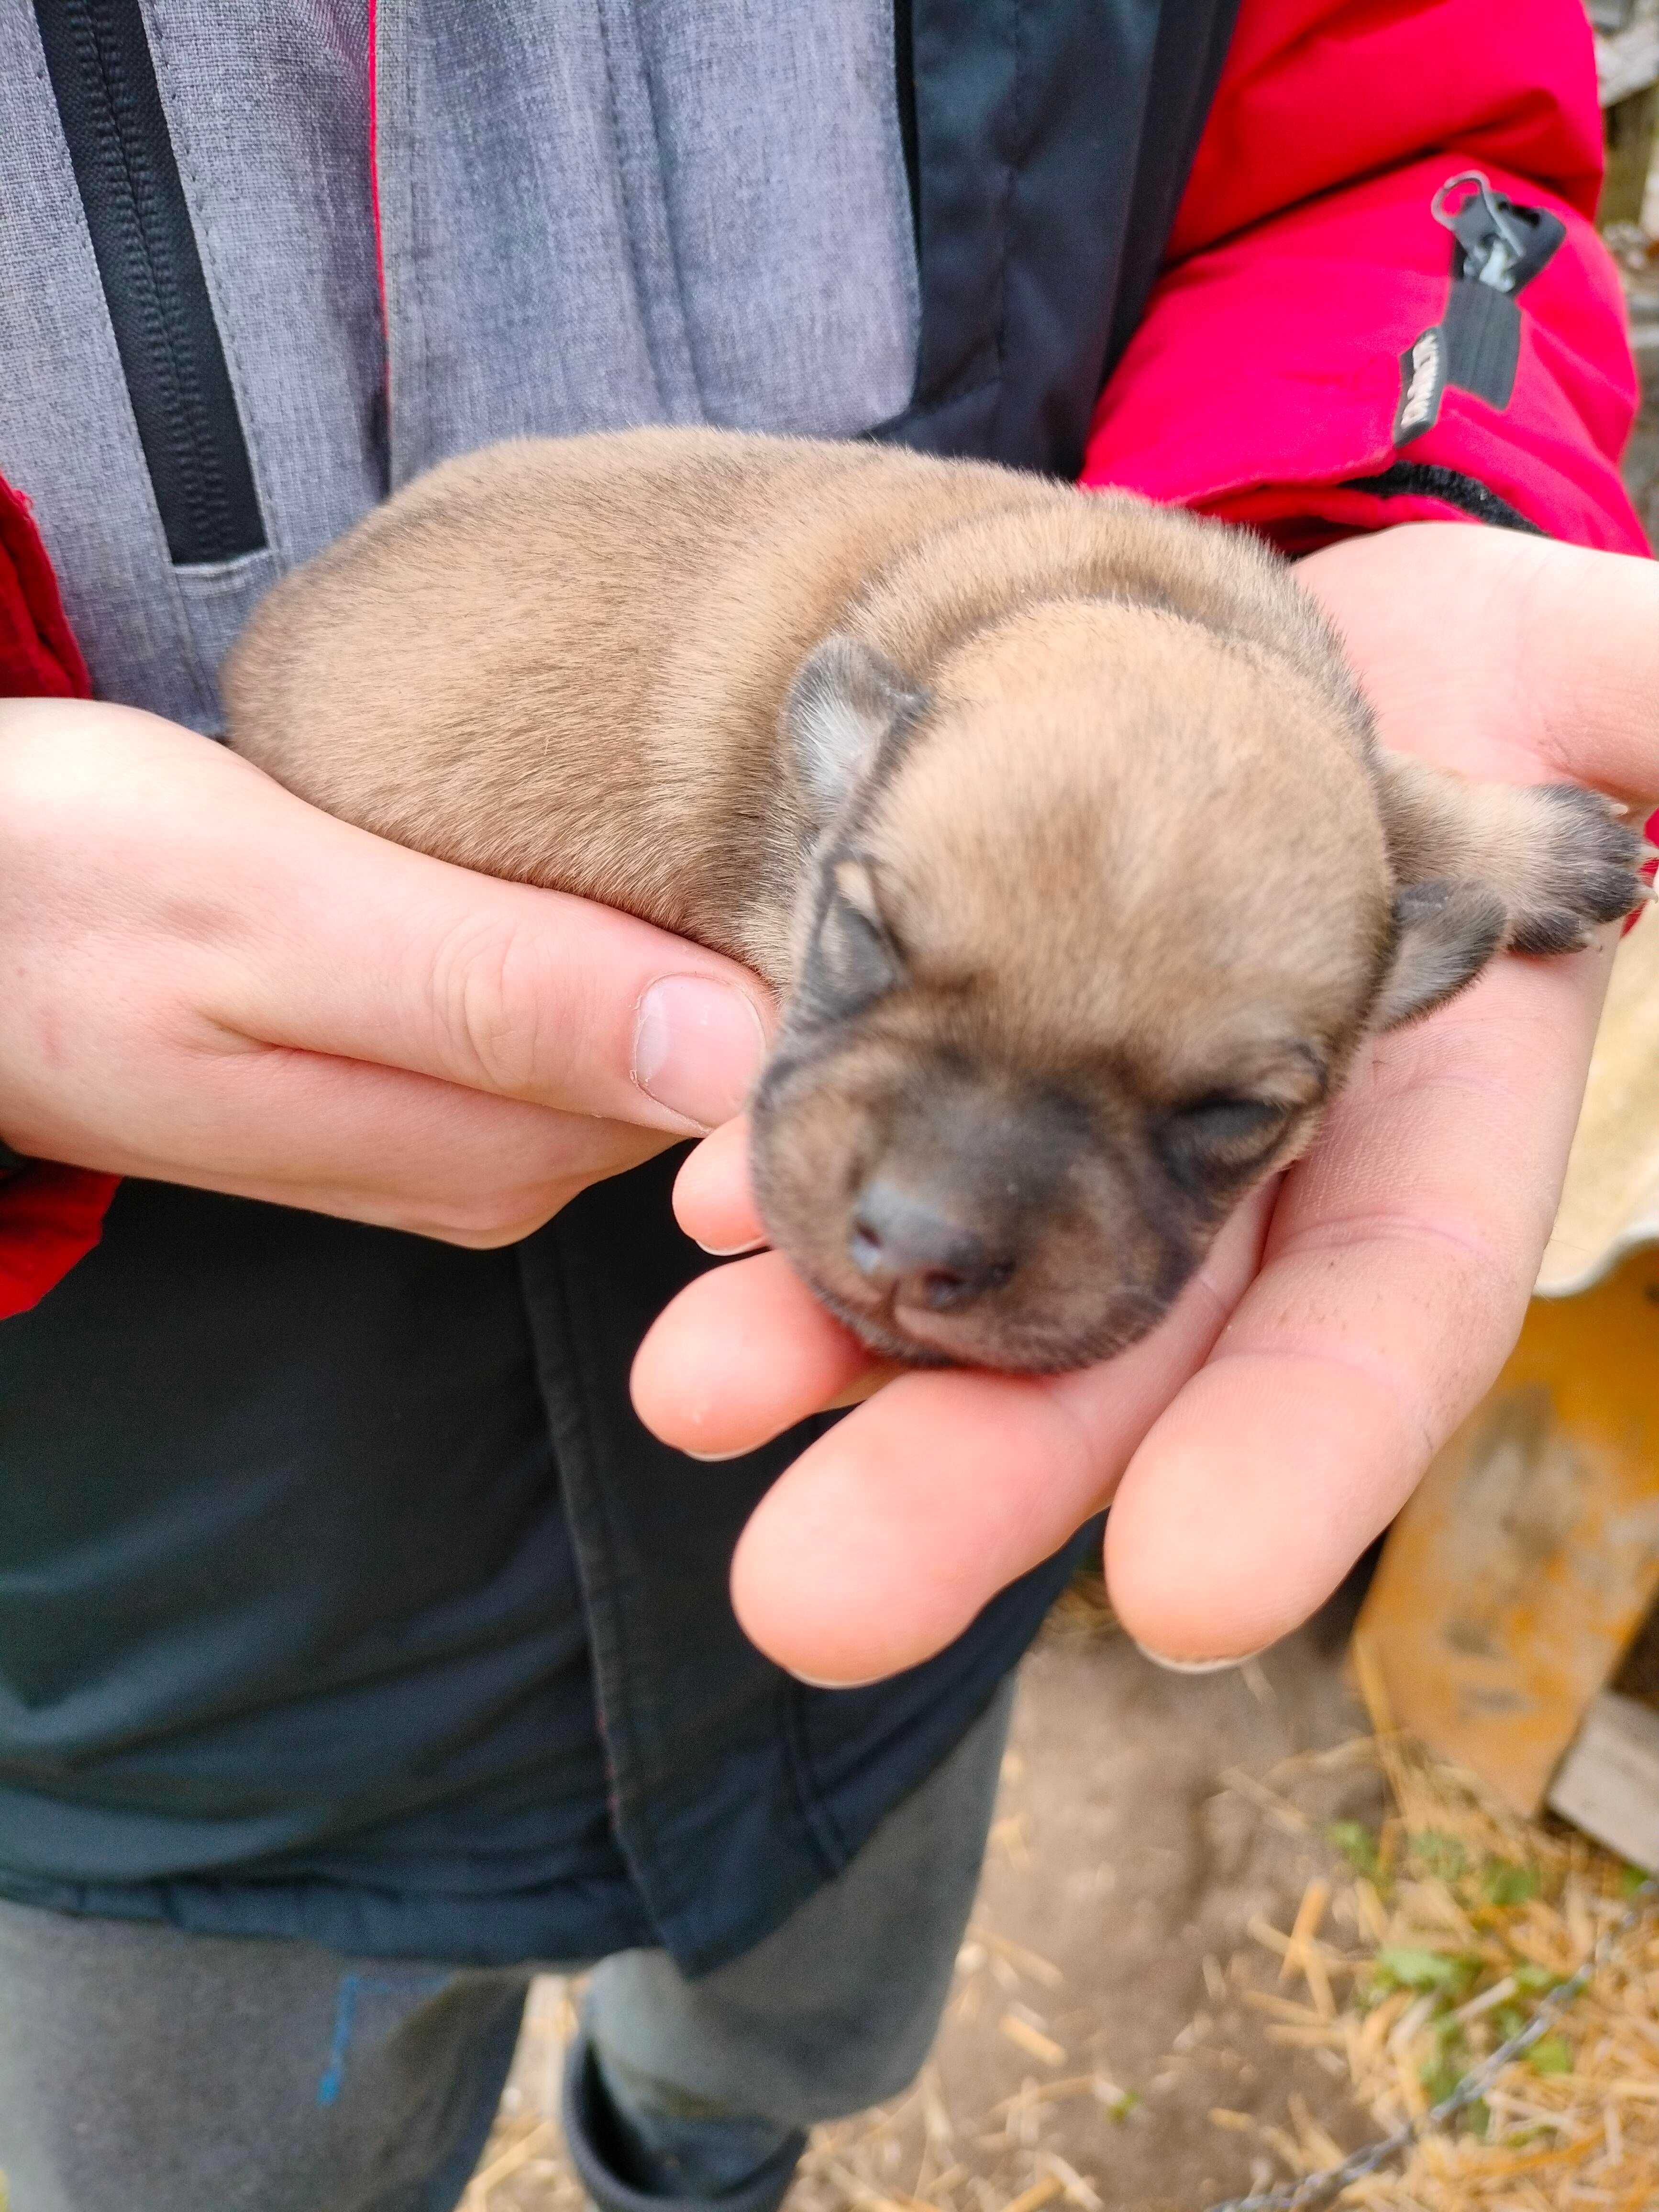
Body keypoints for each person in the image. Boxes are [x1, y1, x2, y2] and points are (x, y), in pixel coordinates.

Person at [0, 4, 1654, 2208]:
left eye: (1200, 1115)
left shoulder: (1100, 787)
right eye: (878, 951)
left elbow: (1396, 130)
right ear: (831, 769)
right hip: (160, 1631)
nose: (932, 1223)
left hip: (871, 1663)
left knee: (795, 2032)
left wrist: (1398, 519)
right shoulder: (820, 739)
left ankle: (683, 2157)